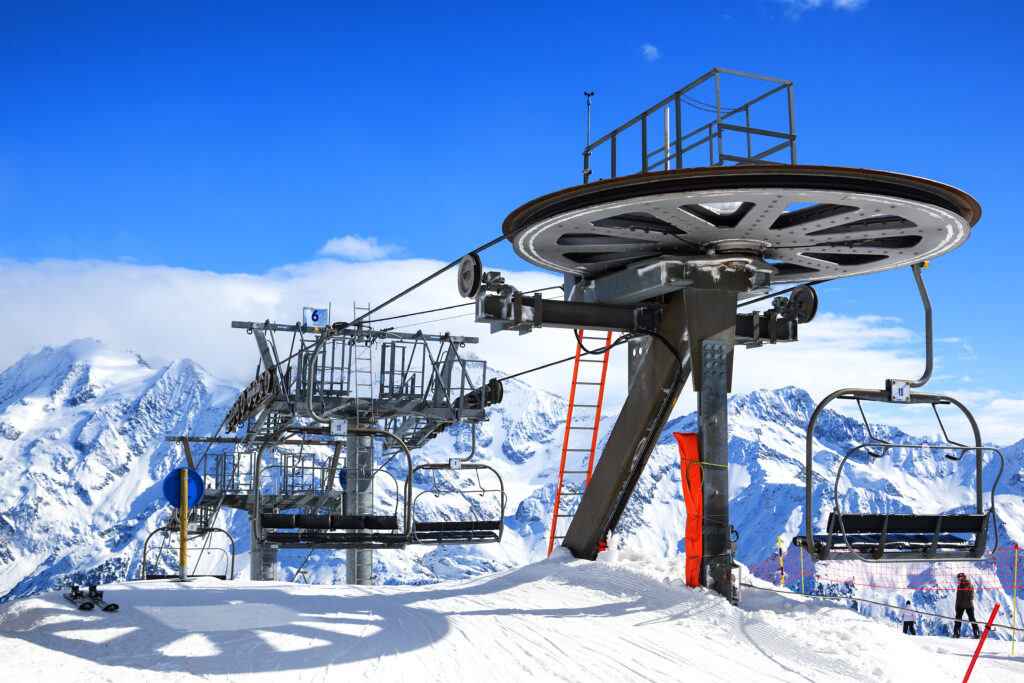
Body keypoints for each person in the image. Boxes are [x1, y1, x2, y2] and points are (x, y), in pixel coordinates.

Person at [953, 572, 980, 638]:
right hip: (970, 605)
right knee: (972, 619)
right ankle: (976, 632)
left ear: (960, 578)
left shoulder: (960, 586)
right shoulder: (971, 585)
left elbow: (959, 598)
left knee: (958, 619)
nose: (958, 580)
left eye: (958, 579)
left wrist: (957, 606)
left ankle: (957, 632)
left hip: (961, 605)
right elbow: (972, 596)